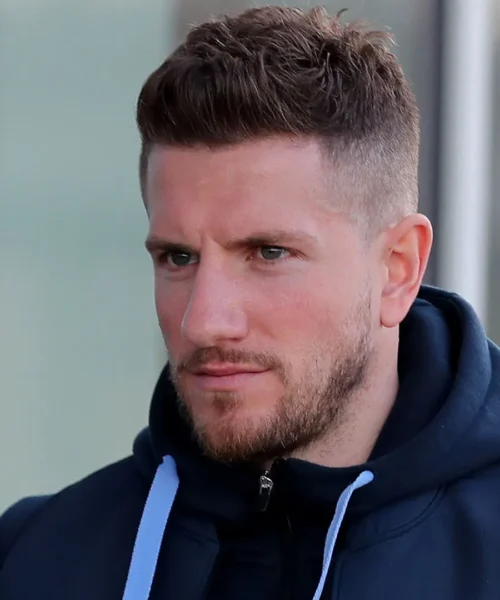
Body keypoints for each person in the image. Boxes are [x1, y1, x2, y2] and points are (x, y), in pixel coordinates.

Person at [1, 5, 500, 600]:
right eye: (178, 258)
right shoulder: (32, 560)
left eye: (268, 253)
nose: (204, 321)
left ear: (398, 269)